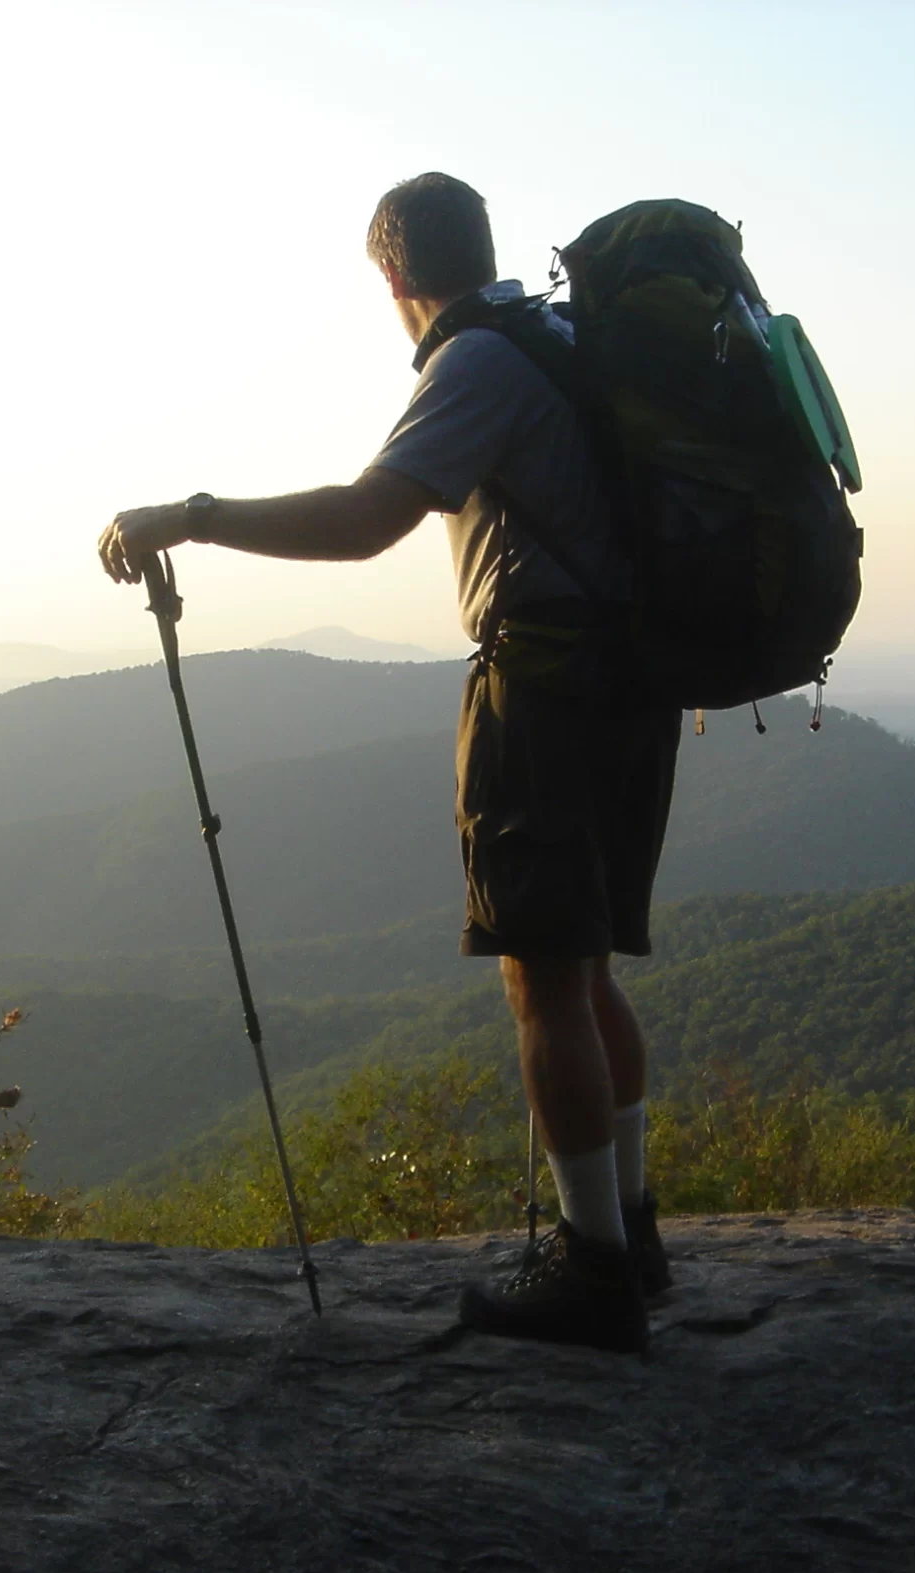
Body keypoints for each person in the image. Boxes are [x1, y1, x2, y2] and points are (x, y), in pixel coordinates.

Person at [97, 172, 675, 1354]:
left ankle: (595, 1270)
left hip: (545, 690)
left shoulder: (475, 361)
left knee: (543, 981)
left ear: (392, 275)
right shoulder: (565, 340)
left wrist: (192, 515)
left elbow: (367, 521)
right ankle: (632, 1231)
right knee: (585, 965)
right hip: (638, 684)